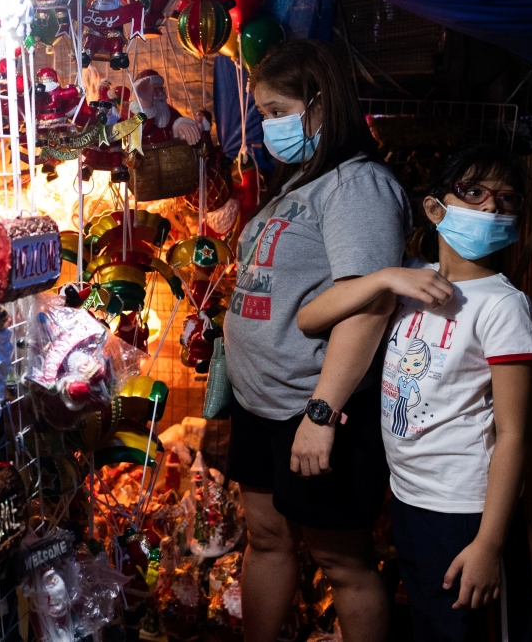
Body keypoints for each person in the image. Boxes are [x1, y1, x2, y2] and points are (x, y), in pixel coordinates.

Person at [297, 144, 532, 641]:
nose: (492, 207)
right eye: (474, 192)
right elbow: (310, 317)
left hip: (468, 510)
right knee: (430, 623)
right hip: (409, 500)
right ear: (434, 208)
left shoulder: (504, 307)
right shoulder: (412, 281)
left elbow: (513, 434)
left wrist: (489, 545)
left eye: (507, 200)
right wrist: (384, 276)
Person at [223, 39, 410, 641]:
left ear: (322, 104)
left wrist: (322, 413)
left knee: (343, 562)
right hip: (260, 403)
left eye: (278, 110)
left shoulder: (358, 187)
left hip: (312, 405)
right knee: (268, 537)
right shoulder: (302, 178)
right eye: (263, 112)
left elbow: (369, 305)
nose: (267, 124)